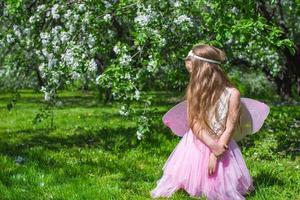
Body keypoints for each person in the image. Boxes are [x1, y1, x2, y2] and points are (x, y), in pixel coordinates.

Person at [150, 44, 255, 200]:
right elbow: (194, 123)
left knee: (220, 184)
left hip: (222, 143)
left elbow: (230, 126)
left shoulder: (232, 93)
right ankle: (192, 185)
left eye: (193, 71)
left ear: (203, 68)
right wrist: (213, 146)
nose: (192, 76)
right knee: (193, 174)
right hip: (198, 141)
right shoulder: (195, 91)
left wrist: (217, 152)